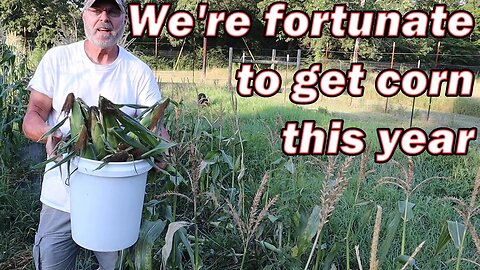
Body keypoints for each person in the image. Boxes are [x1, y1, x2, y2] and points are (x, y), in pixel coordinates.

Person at [22, 0, 168, 269]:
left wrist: (161, 148)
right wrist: (50, 135)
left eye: (113, 11)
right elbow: (33, 116)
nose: (104, 18)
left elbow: (154, 126)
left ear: (124, 19)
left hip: (117, 201)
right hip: (60, 196)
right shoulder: (58, 59)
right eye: (96, 10)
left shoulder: (138, 72)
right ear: (84, 16)